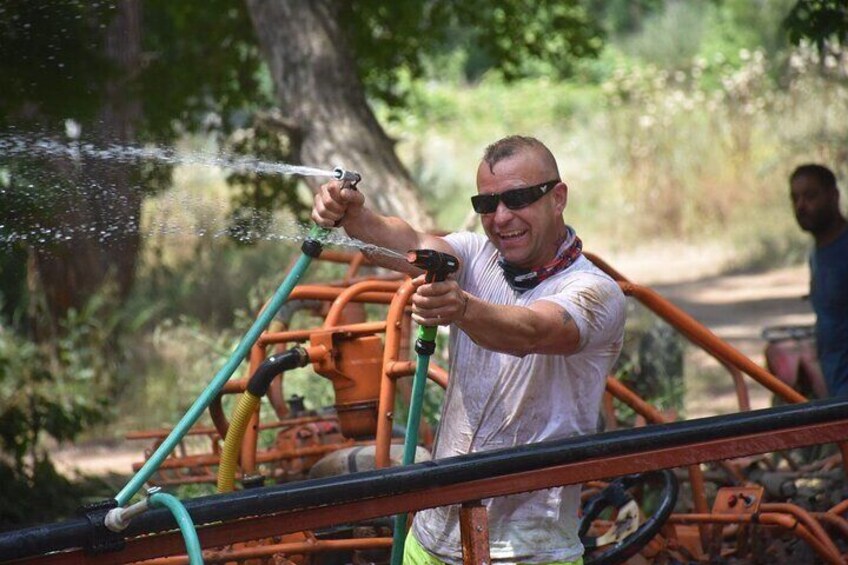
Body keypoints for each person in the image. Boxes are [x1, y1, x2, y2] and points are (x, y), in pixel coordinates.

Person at [313, 135, 626, 564]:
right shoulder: (474, 255)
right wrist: (355, 215)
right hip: (429, 541)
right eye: (486, 204)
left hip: (530, 551)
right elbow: (403, 240)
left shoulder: (594, 292)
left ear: (558, 198)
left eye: (517, 198)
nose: (501, 217)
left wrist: (461, 307)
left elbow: (532, 330)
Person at [789, 164, 848, 397]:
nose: (801, 206)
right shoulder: (818, 253)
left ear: (833, 196)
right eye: (795, 198)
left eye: (810, 196)